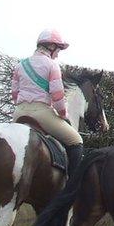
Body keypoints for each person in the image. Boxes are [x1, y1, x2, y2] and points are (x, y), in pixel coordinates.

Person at [11, 29, 83, 178]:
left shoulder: (20, 65)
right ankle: (72, 186)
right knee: (76, 140)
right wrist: (63, 115)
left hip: (19, 113)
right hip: (41, 113)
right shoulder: (52, 65)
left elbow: (15, 94)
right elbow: (57, 97)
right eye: (58, 49)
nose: (58, 53)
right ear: (51, 47)